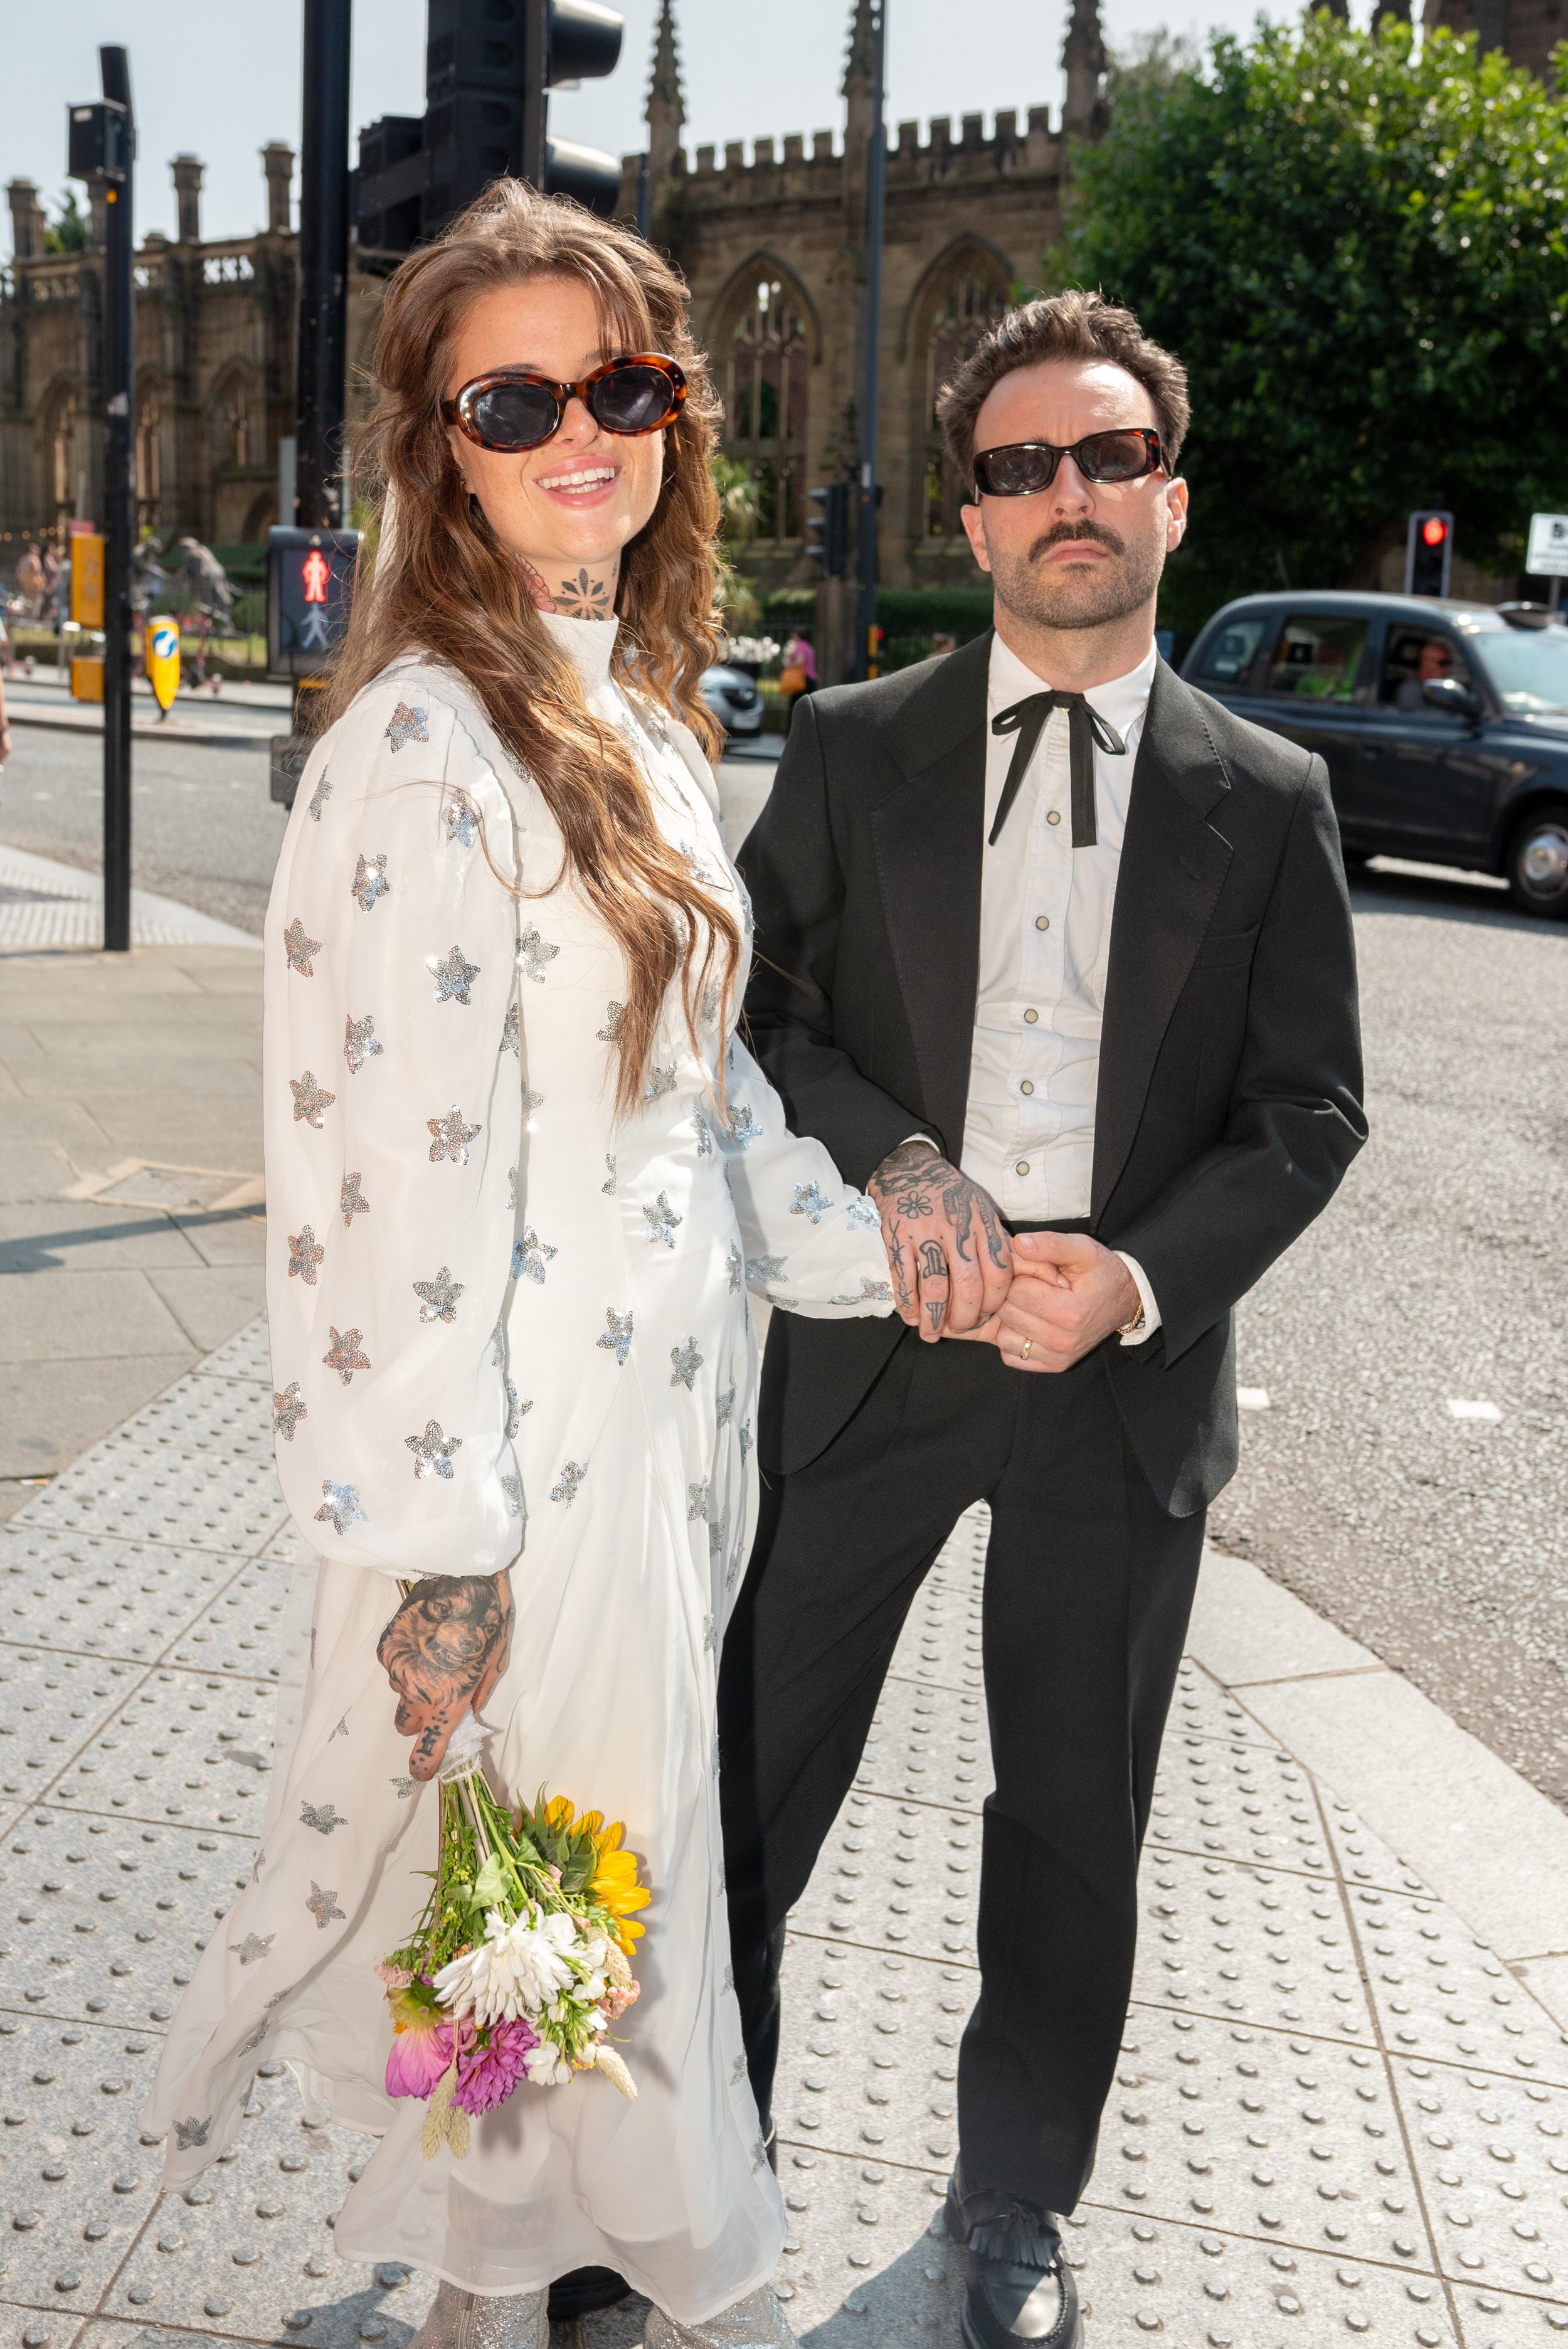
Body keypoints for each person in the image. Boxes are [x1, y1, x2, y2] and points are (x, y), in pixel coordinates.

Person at [141, 181, 895, 2349]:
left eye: (624, 384)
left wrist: (900, 1260)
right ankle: (713, 2294)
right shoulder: (419, 747)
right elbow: (371, 1188)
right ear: (434, 446)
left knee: (538, 1951)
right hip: (521, 1491)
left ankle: (486, 2297)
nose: (586, 430)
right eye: (515, 394)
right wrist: (442, 1557)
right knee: (613, 1964)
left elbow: (708, 1102)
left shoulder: (641, 721)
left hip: (657, 1448)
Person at [719, 290, 1365, 2349]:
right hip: (871, 1349)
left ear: (1167, 502)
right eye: (1016, 466)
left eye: (1102, 458)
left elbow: (1309, 1107)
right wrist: (896, 1166)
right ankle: (678, 2165)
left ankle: (1013, 2207)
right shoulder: (842, 746)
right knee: (745, 1772)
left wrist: (1140, 1276)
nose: (1060, 494)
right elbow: (754, 1016)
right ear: (973, 516)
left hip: (1117, 1370)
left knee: (1069, 1812)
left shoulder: (1265, 793)